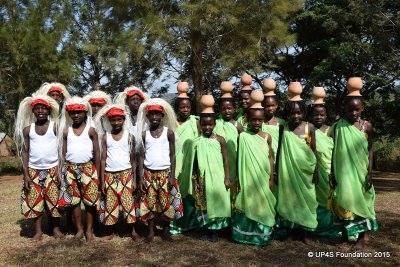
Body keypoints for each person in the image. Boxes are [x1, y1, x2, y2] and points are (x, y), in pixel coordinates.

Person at [329, 77, 378, 248]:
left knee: (363, 201)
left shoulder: (367, 127)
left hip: (361, 172)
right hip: (343, 173)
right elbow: (333, 151)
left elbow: (370, 150)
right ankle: (346, 234)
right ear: (345, 109)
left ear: (362, 108)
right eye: (350, 110)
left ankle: (363, 237)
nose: (353, 113)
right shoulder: (337, 127)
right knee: (343, 201)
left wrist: (370, 173)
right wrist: (332, 173)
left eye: (357, 110)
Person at [14, 94, 64, 241]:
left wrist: (60, 171)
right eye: (37, 109)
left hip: (53, 169)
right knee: (34, 201)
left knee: (54, 201)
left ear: (49, 111)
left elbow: (61, 151)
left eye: (43, 108)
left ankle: (55, 229)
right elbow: (25, 152)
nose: (40, 111)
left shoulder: (55, 127)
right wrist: (26, 174)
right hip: (33, 170)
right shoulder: (27, 130)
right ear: (33, 112)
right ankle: (38, 231)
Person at [232, 90, 276, 246]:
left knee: (263, 201)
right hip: (248, 178)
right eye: (253, 120)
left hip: (263, 177)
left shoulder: (266, 137)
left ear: (263, 120)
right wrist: (238, 177)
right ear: (247, 119)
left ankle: (262, 234)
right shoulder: (243, 136)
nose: (256, 123)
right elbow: (240, 159)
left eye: (259, 120)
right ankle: (245, 235)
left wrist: (271, 177)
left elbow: (270, 157)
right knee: (248, 200)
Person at [276, 82, 318, 242]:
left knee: (307, 200)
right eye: (292, 113)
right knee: (289, 200)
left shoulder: (310, 128)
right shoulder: (284, 128)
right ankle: (291, 231)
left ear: (304, 112)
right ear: (287, 114)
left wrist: (316, 172)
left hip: (305, 173)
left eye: (299, 113)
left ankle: (306, 232)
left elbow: (314, 152)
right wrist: (277, 171)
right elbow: (281, 150)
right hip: (288, 173)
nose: (296, 116)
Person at [136, 98, 183, 242]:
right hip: (149, 173)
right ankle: (150, 231)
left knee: (165, 203)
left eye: (157, 114)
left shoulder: (168, 133)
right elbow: (141, 157)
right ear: (147, 116)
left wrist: (171, 176)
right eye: (152, 114)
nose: (155, 117)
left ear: (162, 116)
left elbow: (173, 156)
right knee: (150, 203)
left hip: (165, 173)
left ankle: (166, 230)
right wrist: (141, 176)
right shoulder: (145, 135)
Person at [59, 97, 100, 241]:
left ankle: (89, 229)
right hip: (70, 169)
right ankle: (79, 229)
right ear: (69, 114)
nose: (76, 115)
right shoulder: (66, 131)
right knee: (75, 201)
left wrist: (98, 173)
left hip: (88, 168)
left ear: (84, 113)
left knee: (90, 202)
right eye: (73, 113)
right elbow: (63, 153)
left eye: (79, 112)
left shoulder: (91, 131)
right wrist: (62, 171)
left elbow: (97, 153)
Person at [190, 94, 231, 241]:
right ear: (200, 125)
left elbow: (226, 160)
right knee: (204, 203)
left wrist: (227, 177)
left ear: (214, 124)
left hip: (218, 177)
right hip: (202, 178)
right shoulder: (197, 141)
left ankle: (216, 230)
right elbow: (193, 162)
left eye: (210, 124)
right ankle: (207, 229)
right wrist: (195, 179)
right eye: (204, 125)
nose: (207, 127)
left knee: (217, 201)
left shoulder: (220, 140)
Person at [95, 104, 138, 240]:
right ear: (109, 121)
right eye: (113, 120)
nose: (116, 122)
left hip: (126, 173)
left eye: (119, 120)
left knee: (128, 203)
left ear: (124, 120)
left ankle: (133, 230)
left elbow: (133, 160)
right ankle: (111, 231)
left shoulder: (129, 136)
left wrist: (135, 179)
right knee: (110, 203)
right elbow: (102, 159)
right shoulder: (106, 137)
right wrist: (102, 180)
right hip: (110, 174)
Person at [309, 87, 342, 239]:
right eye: (315, 114)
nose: (319, 117)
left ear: (326, 115)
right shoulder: (307, 130)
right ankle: (317, 226)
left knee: (331, 199)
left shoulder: (331, 130)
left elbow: (336, 151)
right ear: (311, 115)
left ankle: (331, 225)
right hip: (314, 171)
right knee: (316, 200)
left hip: (331, 170)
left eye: (322, 114)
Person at [170, 82, 200, 234]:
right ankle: (177, 223)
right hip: (175, 164)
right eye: (182, 107)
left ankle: (190, 223)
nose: (186, 109)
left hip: (191, 165)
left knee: (190, 193)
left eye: (188, 107)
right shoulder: (171, 123)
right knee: (176, 193)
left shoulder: (196, 122)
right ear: (177, 108)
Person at [214, 81, 242, 205]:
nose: (227, 111)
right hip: (220, 165)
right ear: (220, 109)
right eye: (224, 109)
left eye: (229, 108)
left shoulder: (238, 126)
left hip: (235, 162)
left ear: (234, 109)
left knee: (235, 191)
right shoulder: (215, 124)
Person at [261, 78, 286, 159]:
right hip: (263, 158)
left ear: (277, 105)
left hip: (279, 158)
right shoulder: (259, 123)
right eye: (267, 106)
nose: (270, 108)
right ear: (263, 106)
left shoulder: (282, 123)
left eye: (273, 105)